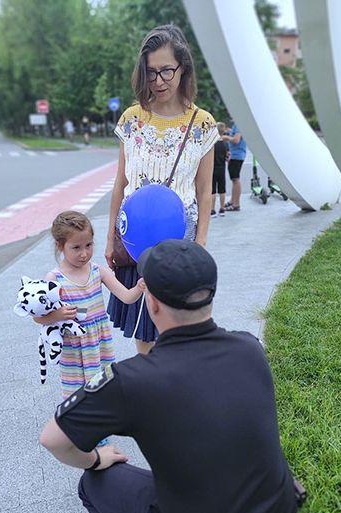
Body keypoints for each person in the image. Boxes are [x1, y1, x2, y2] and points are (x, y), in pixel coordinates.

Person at [40, 239, 299, 513]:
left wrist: (96, 458)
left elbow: (53, 440)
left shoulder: (133, 379)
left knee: (94, 485)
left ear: (154, 304)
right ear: (209, 296)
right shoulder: (249, 347)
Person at [105, 24, 218, 355]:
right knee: (146, 332)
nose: (159, 81)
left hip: (180, 243)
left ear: (183, 67)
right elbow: (120, 183)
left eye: (166, 70)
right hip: (135, 240)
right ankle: (153, 395)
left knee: (181, 329)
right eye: (151, 72)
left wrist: (201, 243)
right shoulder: (131, 119)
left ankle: (178, 394)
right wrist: (111, 236)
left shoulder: (203, 124)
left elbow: (204, 190)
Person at [33, 210, 144, 402]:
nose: (84, 253)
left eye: (88, 245)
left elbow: (126, 297)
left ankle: (103, 428)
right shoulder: (53, 279)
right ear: (60, 246)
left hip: (99, 344)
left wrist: (139, 287)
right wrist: (58, 315)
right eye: (76, 247)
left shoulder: (97, 271)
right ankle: (80, 428)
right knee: (77, 395)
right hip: (73, 349)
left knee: (104, 389)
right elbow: (38, 317)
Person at [223, 122, 246, 211]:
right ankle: (233, 200)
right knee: (233, 179)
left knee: (235, 179)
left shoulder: (238, 125)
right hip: (236, 155)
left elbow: (236, 140)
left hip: (237, 155)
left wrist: (226, 138)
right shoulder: (236, 125)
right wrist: (230, 132)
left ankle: (236, 204)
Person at [211, 121, 229, 217]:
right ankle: (222, 208)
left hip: (213, 168)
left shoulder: (213, 144)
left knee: (212, 190)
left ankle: (212, 209)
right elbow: (227, 156)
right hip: (222, 168)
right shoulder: (225, 144)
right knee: (222, 189)